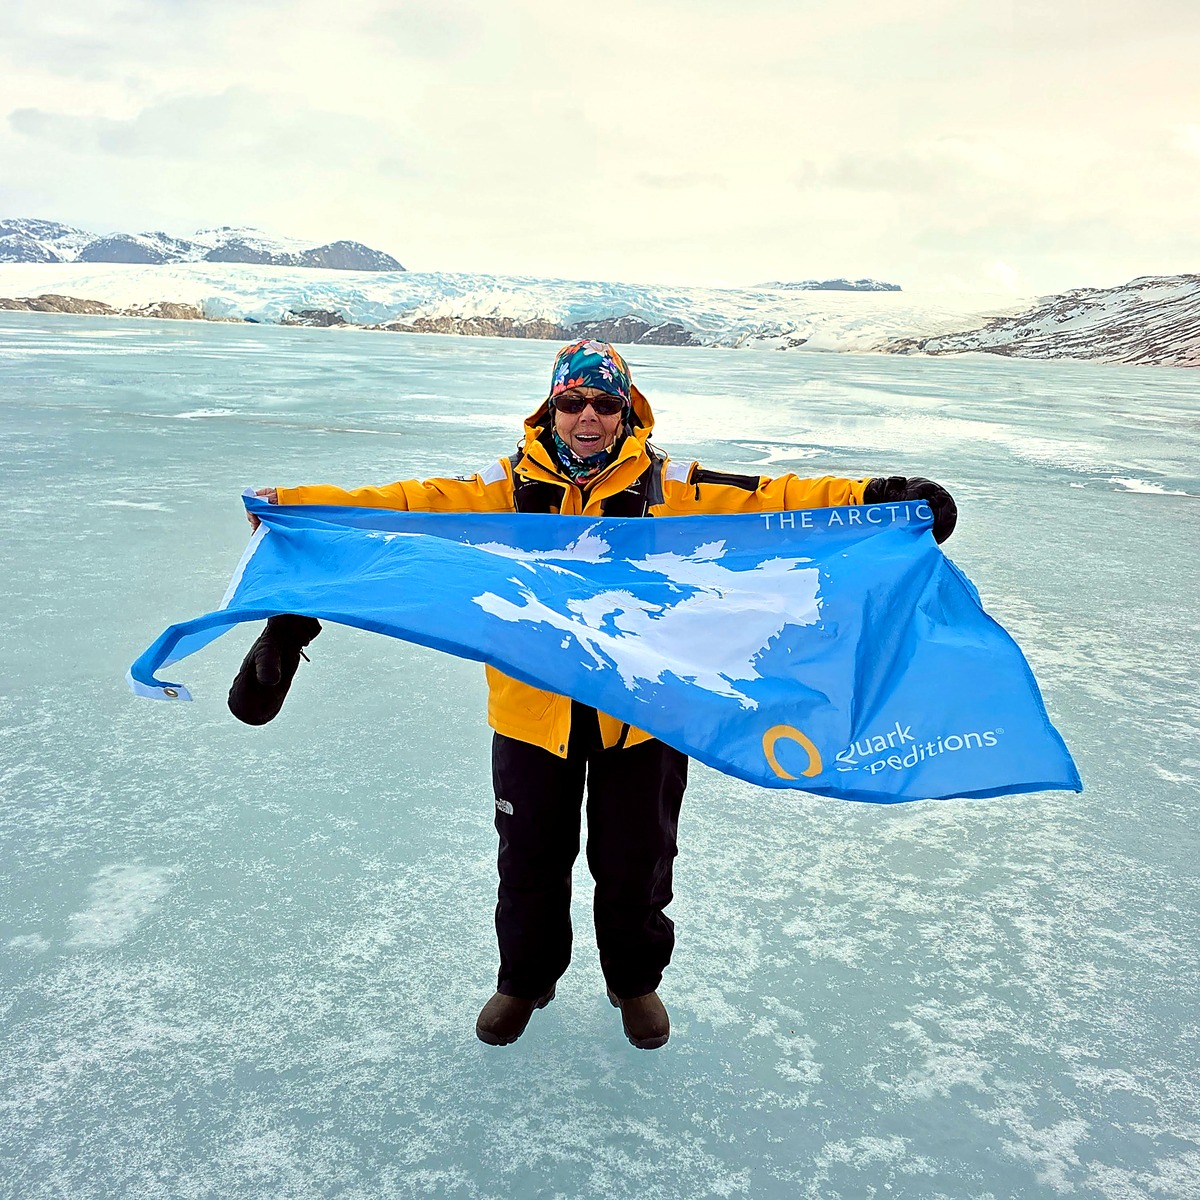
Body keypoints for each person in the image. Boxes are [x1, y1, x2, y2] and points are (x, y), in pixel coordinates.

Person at [229, 340, 957, 1050]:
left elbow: (775, 499)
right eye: (571, 401)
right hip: (530, 718)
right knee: (529, 860)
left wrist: (879, 498)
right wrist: (297, 507)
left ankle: (634, 981)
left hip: (645, 715)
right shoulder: (502, 489)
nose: (587, 417)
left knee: (638, 862)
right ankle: (525, 979)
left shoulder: (675, 487)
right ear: (550, 409)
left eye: (603, 404)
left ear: (626, 411)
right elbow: (404, 505)